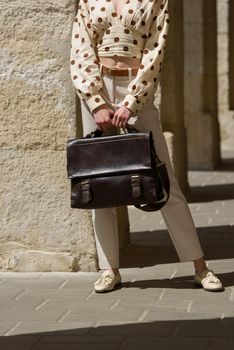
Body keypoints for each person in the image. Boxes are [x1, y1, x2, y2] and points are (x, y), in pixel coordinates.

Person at [70, 0, 224, 293]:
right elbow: (80, 49)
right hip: (97, 87)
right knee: (99, 183)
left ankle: (200, 267)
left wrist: (132, 102)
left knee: (166, 183)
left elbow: (155, 51)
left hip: (135, 89)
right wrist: (95, 101)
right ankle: (109, 270)